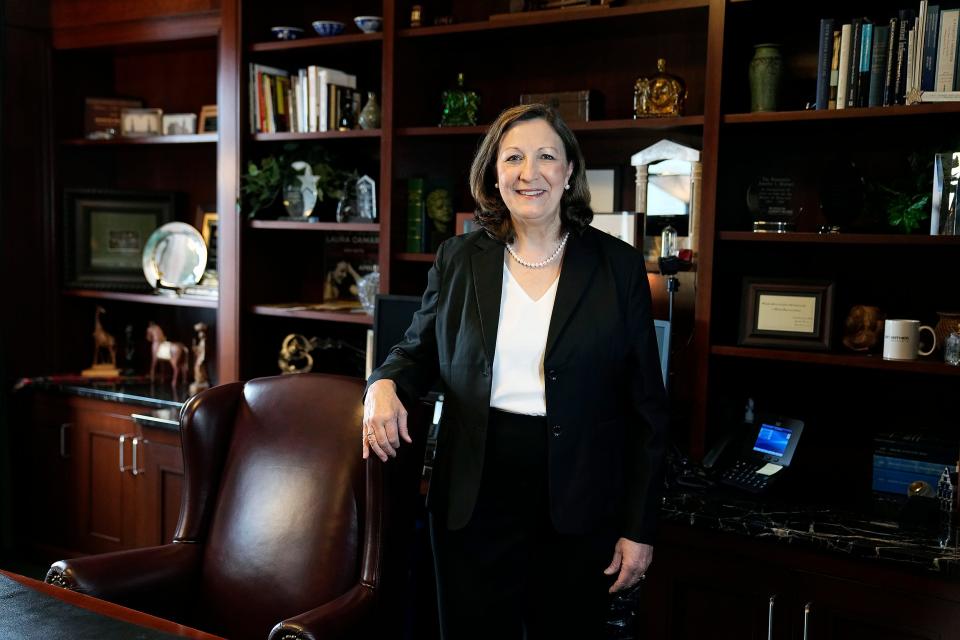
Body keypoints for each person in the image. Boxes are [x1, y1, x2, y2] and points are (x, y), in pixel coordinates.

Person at [363, 103, 668, 638]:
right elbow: (415, 351)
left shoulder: (617, 267)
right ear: (494, 173)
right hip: (473, 498)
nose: (530, 173)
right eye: (514, 158)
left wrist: (638, 527)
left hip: (579, 501)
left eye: (546, 156)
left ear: (569, 171)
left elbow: (647, 409)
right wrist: (382, 385)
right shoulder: (458, 258)